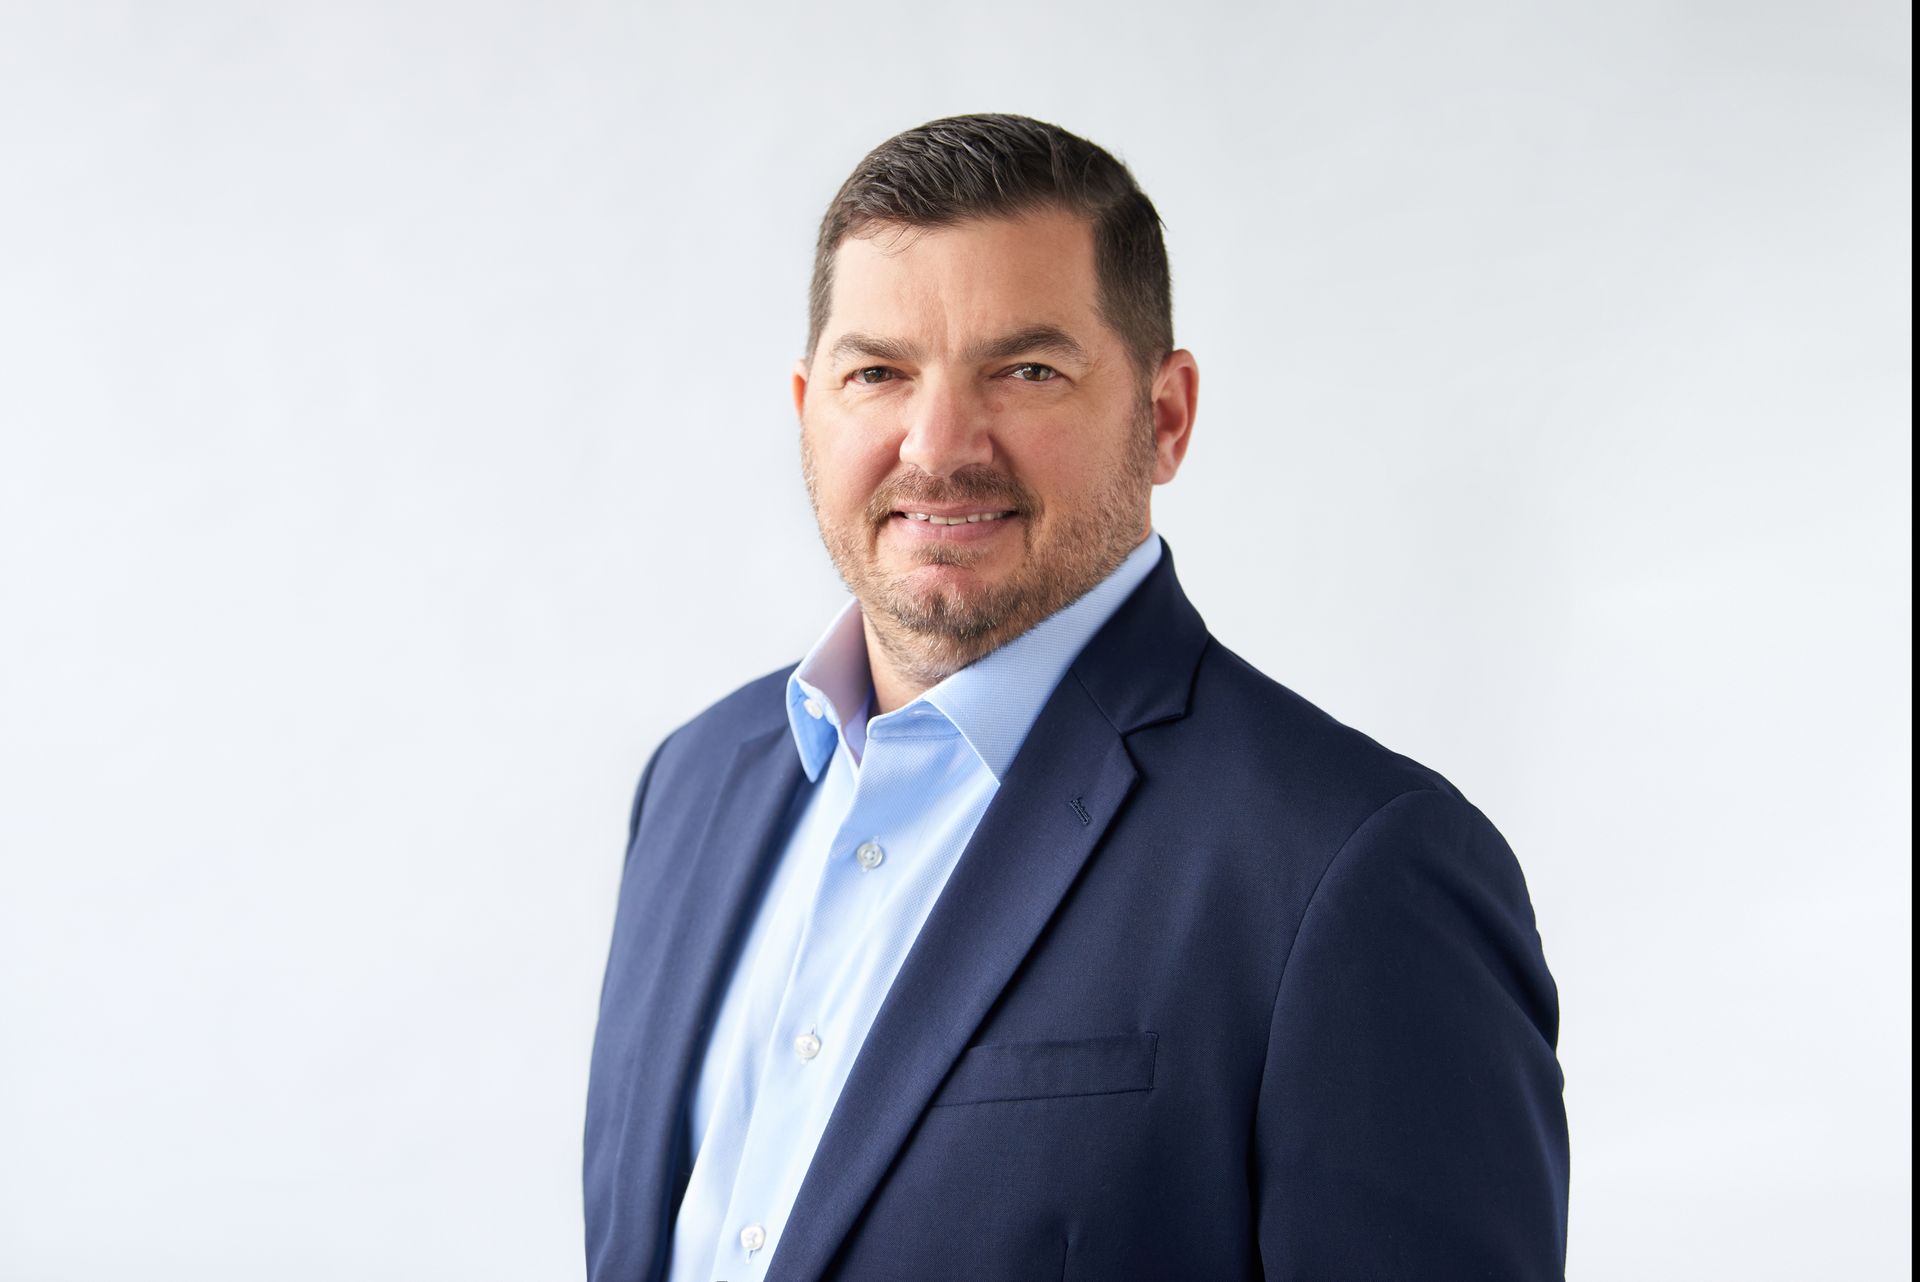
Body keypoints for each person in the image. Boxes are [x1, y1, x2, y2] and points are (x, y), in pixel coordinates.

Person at [584, 113, 1569, 1282]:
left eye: (1028, 370)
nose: (938, 444)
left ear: (1165, 416)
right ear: (809, 405)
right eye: (877, 373)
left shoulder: (1353, 868)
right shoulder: (695, 782)